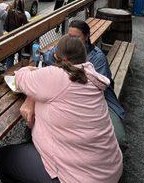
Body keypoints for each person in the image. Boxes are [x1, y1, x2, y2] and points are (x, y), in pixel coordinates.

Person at [0, 35, 122, 183]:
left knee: (3, 157)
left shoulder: (57, 76)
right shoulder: (91, 76)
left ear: (57, 57)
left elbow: (20, 78)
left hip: (81, 177)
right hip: (109, 170)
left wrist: (29, 69)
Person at [42, 19, 127, 147]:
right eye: (69, 36)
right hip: (69, 96)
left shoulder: (97, 57)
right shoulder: (66, 46)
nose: (72, 40)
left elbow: (99, 88)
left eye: (76, 37)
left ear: (87, 37)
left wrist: (64, 66)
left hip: (100, 101)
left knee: (118, 139)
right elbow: (47, 56)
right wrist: (54, 56)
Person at [3, 0, 28, 68]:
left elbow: (5, 25)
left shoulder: (10, 12)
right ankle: (19, 68)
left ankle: (9, 70)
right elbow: (26, 26)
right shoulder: (23, 15)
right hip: (19, 38)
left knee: (10, 56)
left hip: (11, 37)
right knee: (20, 55)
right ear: (22, 5)